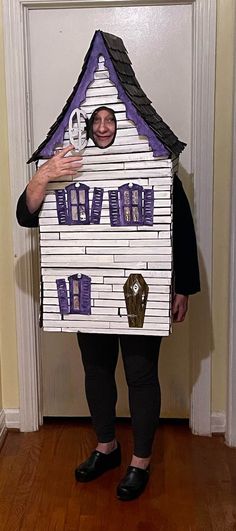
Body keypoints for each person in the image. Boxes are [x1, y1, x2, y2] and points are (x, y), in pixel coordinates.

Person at [17, 126, 200, 502]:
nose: (102, 126)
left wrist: (183, 286)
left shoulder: (153, 163)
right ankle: (106, 447)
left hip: (140, 286)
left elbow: (180, 225)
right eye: (96, 118)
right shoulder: (66, 166)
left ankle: (141, 460)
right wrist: (43, 174)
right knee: (97, 370)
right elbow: (26, 214)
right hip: (89, 291)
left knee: (140, 373)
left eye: (110, 118)